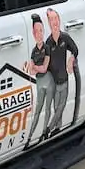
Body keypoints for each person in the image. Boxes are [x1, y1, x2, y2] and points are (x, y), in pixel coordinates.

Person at [45, 8, 79, 135]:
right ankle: (57, 128)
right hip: (54, 81)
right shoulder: (48, 42)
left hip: (64, 78)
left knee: (61, 106)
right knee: (56, 106)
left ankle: (49, 128)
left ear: (59, 20)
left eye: (56, 18)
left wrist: (71, 59)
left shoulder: (65, 37)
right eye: (51, 19)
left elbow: (75, 49)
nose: (54, 22)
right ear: (49, 23)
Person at [26, 14, 54, 145]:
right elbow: (32, 71)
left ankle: (44, 133)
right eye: (36, 31)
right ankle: (30, 137)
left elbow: (44, 68)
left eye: (41, 30)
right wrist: (37, 68)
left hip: (48, 80)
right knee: (38, 110)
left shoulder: (46, 48)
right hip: (39, 82)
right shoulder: (33, 51)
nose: (39, 34)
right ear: (33, 33)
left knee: (47, 108)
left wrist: (35, 67)